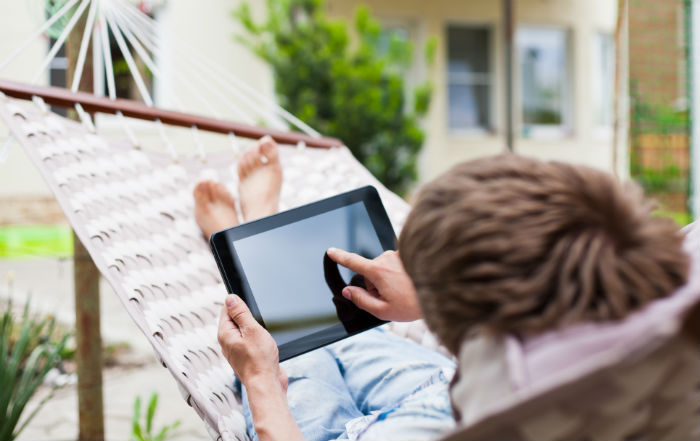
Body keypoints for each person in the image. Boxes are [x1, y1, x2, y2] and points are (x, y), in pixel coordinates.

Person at [194, 137, 689, 441]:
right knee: (351, 326)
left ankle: (252, 241)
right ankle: (256, 244)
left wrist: (259, 380)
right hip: (436, 392)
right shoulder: (674, 307)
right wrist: (429, 295)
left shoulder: (483, 419)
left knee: (287, 356)